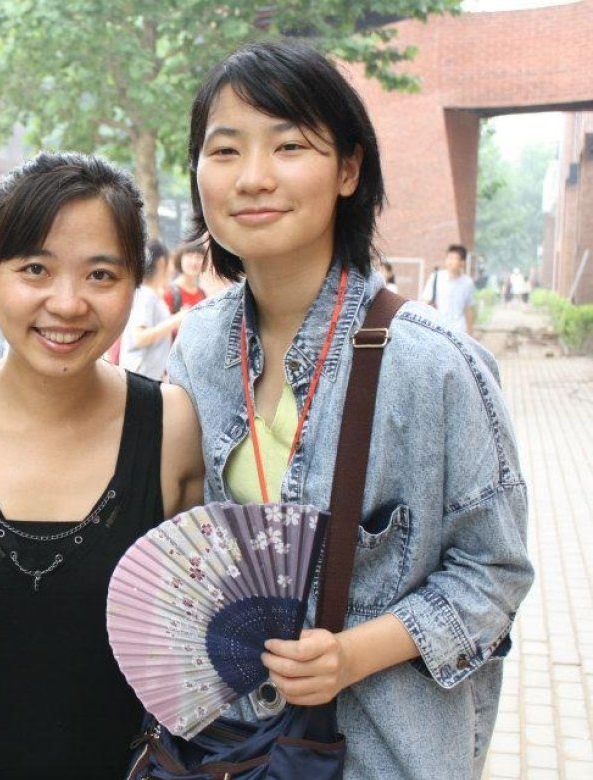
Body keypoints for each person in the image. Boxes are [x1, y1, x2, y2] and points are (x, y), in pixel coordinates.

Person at [169, 41, 532, 780]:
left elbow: (494, 572)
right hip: (223, 748)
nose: (254, 177)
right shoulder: (198, 345)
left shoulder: (433, 363)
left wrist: (352, 653)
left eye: (290, 145)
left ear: (348, 169)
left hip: (376, 754)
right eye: (226, 149)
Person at [0, 152, 205, 778]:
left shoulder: (171, 427)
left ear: (137, 283)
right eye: (34, 269)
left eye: (102, 275)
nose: (68, 303)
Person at [120, 239, 184, 380]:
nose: (172, 270)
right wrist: (176, 320)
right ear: (162, 262)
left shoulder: (150, 294)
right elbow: (140, 337)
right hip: (139, 378)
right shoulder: (146, 295)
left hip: (146, 378)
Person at [421, 244, 476, 335]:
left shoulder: (467, 283)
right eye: (449, 258)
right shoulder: (436, 277)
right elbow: (425, 301)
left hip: (459, 329)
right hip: (438, 327)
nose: (450, 261)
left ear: (462, 262)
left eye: (454, 258)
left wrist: (470, 333)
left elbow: (468, 308)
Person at [165, 241, 209, 314]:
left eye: (199, 257)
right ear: (180, 259)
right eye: (189, 256)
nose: (194, 262)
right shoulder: (169, 292)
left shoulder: (202, 294)